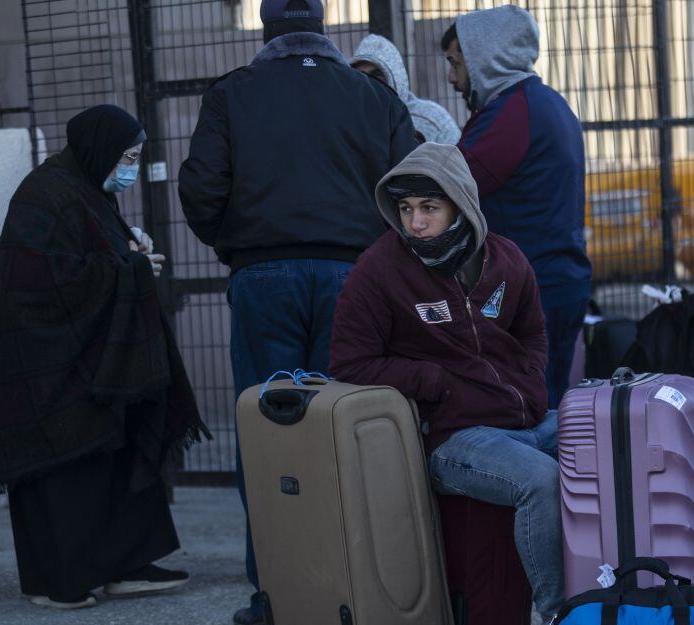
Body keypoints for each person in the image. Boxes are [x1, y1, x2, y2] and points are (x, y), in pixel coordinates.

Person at [177, 2, 418, 623]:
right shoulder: (371, 97)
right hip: (355, 280)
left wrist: (238, 244)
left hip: (264, 277)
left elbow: (201, 188)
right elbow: (413, 184)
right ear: (322, 29)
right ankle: (352, 590)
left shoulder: (233, 94)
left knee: (268, 435)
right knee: (345, 432)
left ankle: (277, 596)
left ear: (267, 30)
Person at [0, 104, 207, 609]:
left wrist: (129, 251)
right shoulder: (45, 195)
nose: (129, 168)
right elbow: (42, 282)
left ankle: (128, 565)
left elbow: (93, 255)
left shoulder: (84, 189)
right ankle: (52, 581)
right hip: (44, 366)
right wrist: (126, 268)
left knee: (118, 449)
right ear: (99, 149)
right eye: (126, 157)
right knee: (64, 469)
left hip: (89, 359)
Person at [329, 142, 563, 622]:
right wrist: (433, 382)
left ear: (462, 204)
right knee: (541, 482)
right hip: (458, 436)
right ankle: (561, 612)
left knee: (612, 437)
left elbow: (534, 332)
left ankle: (621, 595)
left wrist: (532, 377)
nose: (415, 223)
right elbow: (349, 363)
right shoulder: (380, 269)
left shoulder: (506, 259)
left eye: (429, 208)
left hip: (530, 418)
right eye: (406, 209)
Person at [441, 5, 591, 408]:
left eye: (456, 62)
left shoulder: (512, 112)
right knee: (548, 403)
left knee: (521, 410)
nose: (452, 77)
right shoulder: (545, 103)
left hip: (531, 287)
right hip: (558, 280)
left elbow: (454, 185)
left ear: (484, 55)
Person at [351, 34, 461, 144]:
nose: (369, 83)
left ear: (395, 77)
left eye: (377, 74)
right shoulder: (351, 122)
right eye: (361, 76)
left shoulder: (432, 120)